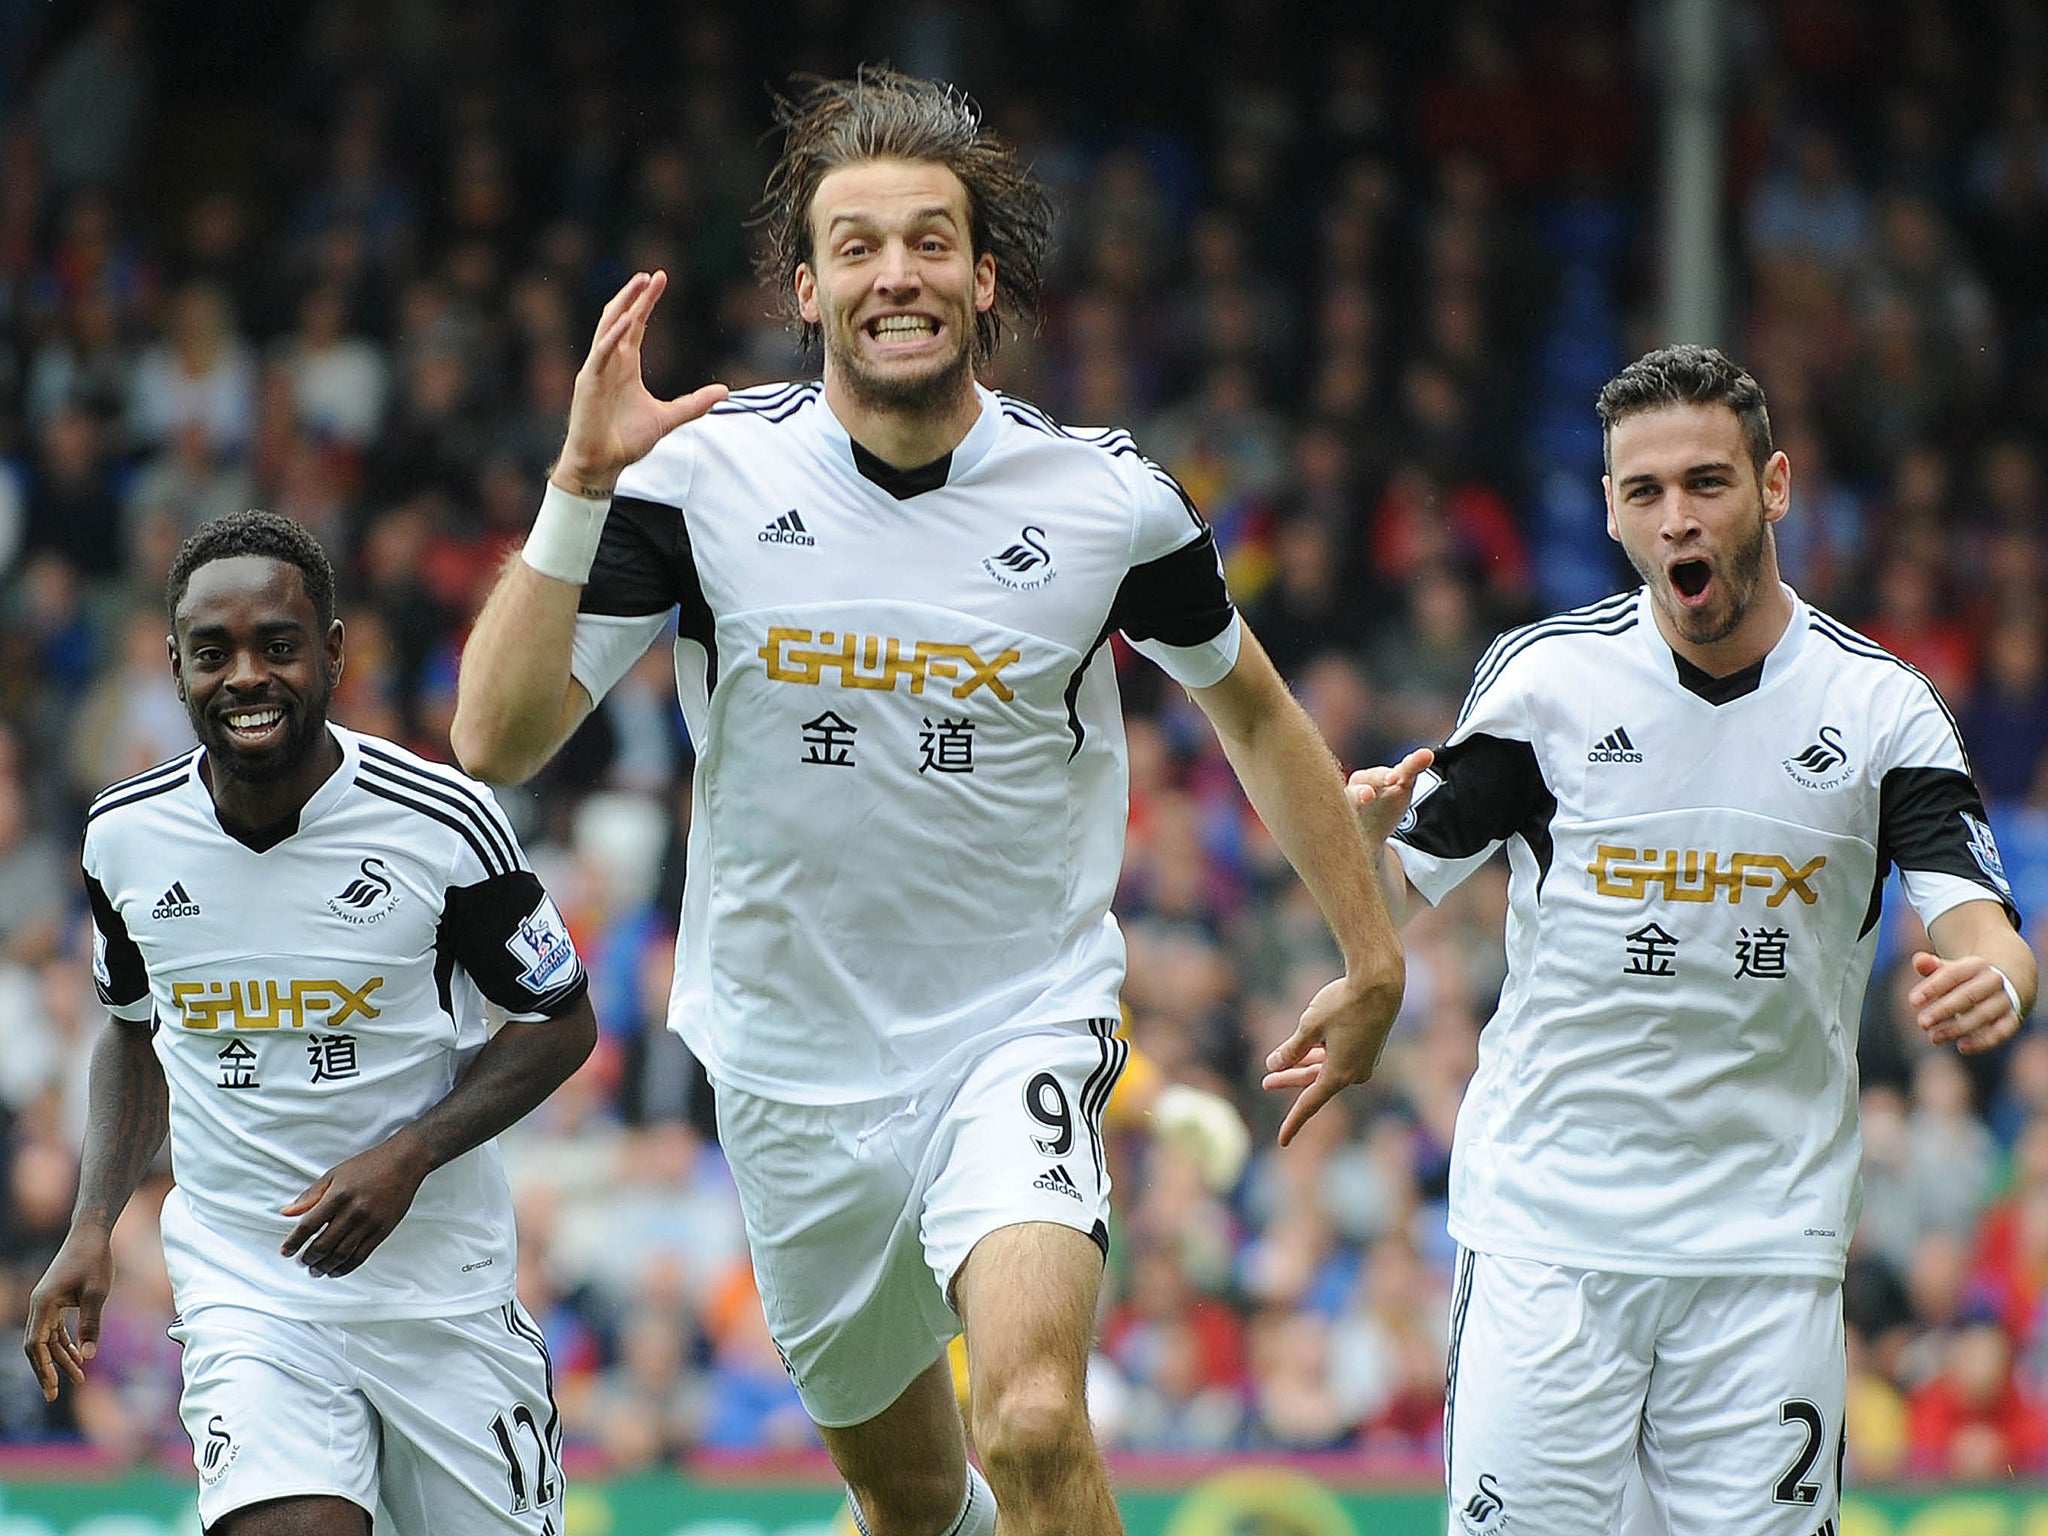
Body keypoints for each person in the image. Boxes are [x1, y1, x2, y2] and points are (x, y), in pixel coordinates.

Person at [450, 68, 1403, 1536]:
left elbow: (1260, 713)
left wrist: (1374, 952)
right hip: (788, 1064)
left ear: (985, 280)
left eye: (931, 241)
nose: (898, 271)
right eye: (858, 245)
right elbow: (498, 736)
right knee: (904, 1499)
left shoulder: (1106, 501)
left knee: (1026, 1420)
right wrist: (579, 481)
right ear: (807, 291)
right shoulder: (700, 480)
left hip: (1014, 1022)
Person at [1341, 345, 2038, 1534]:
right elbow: (1391, 889)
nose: (1676, 518)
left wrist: (1995, 979)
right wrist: (1351, 845)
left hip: (1765, 1247)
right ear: (1610, 512)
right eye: (1644, 493)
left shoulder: (1877, 709)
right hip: (1551, 1234)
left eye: (1705, 483)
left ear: (1771, 487)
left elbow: (1976, 915)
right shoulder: (1544, 684)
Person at [24, 510, 598, 1536]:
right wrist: (91, 1223)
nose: (247, 675)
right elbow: (131, 1026)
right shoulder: (125, 837)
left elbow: (560, 1021)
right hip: (251, 1291)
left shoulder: (442, 820)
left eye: (278, 645)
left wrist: (410, 1155)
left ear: (332, 652)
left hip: (439, 1301)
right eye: (214, 653)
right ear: (174, 666)